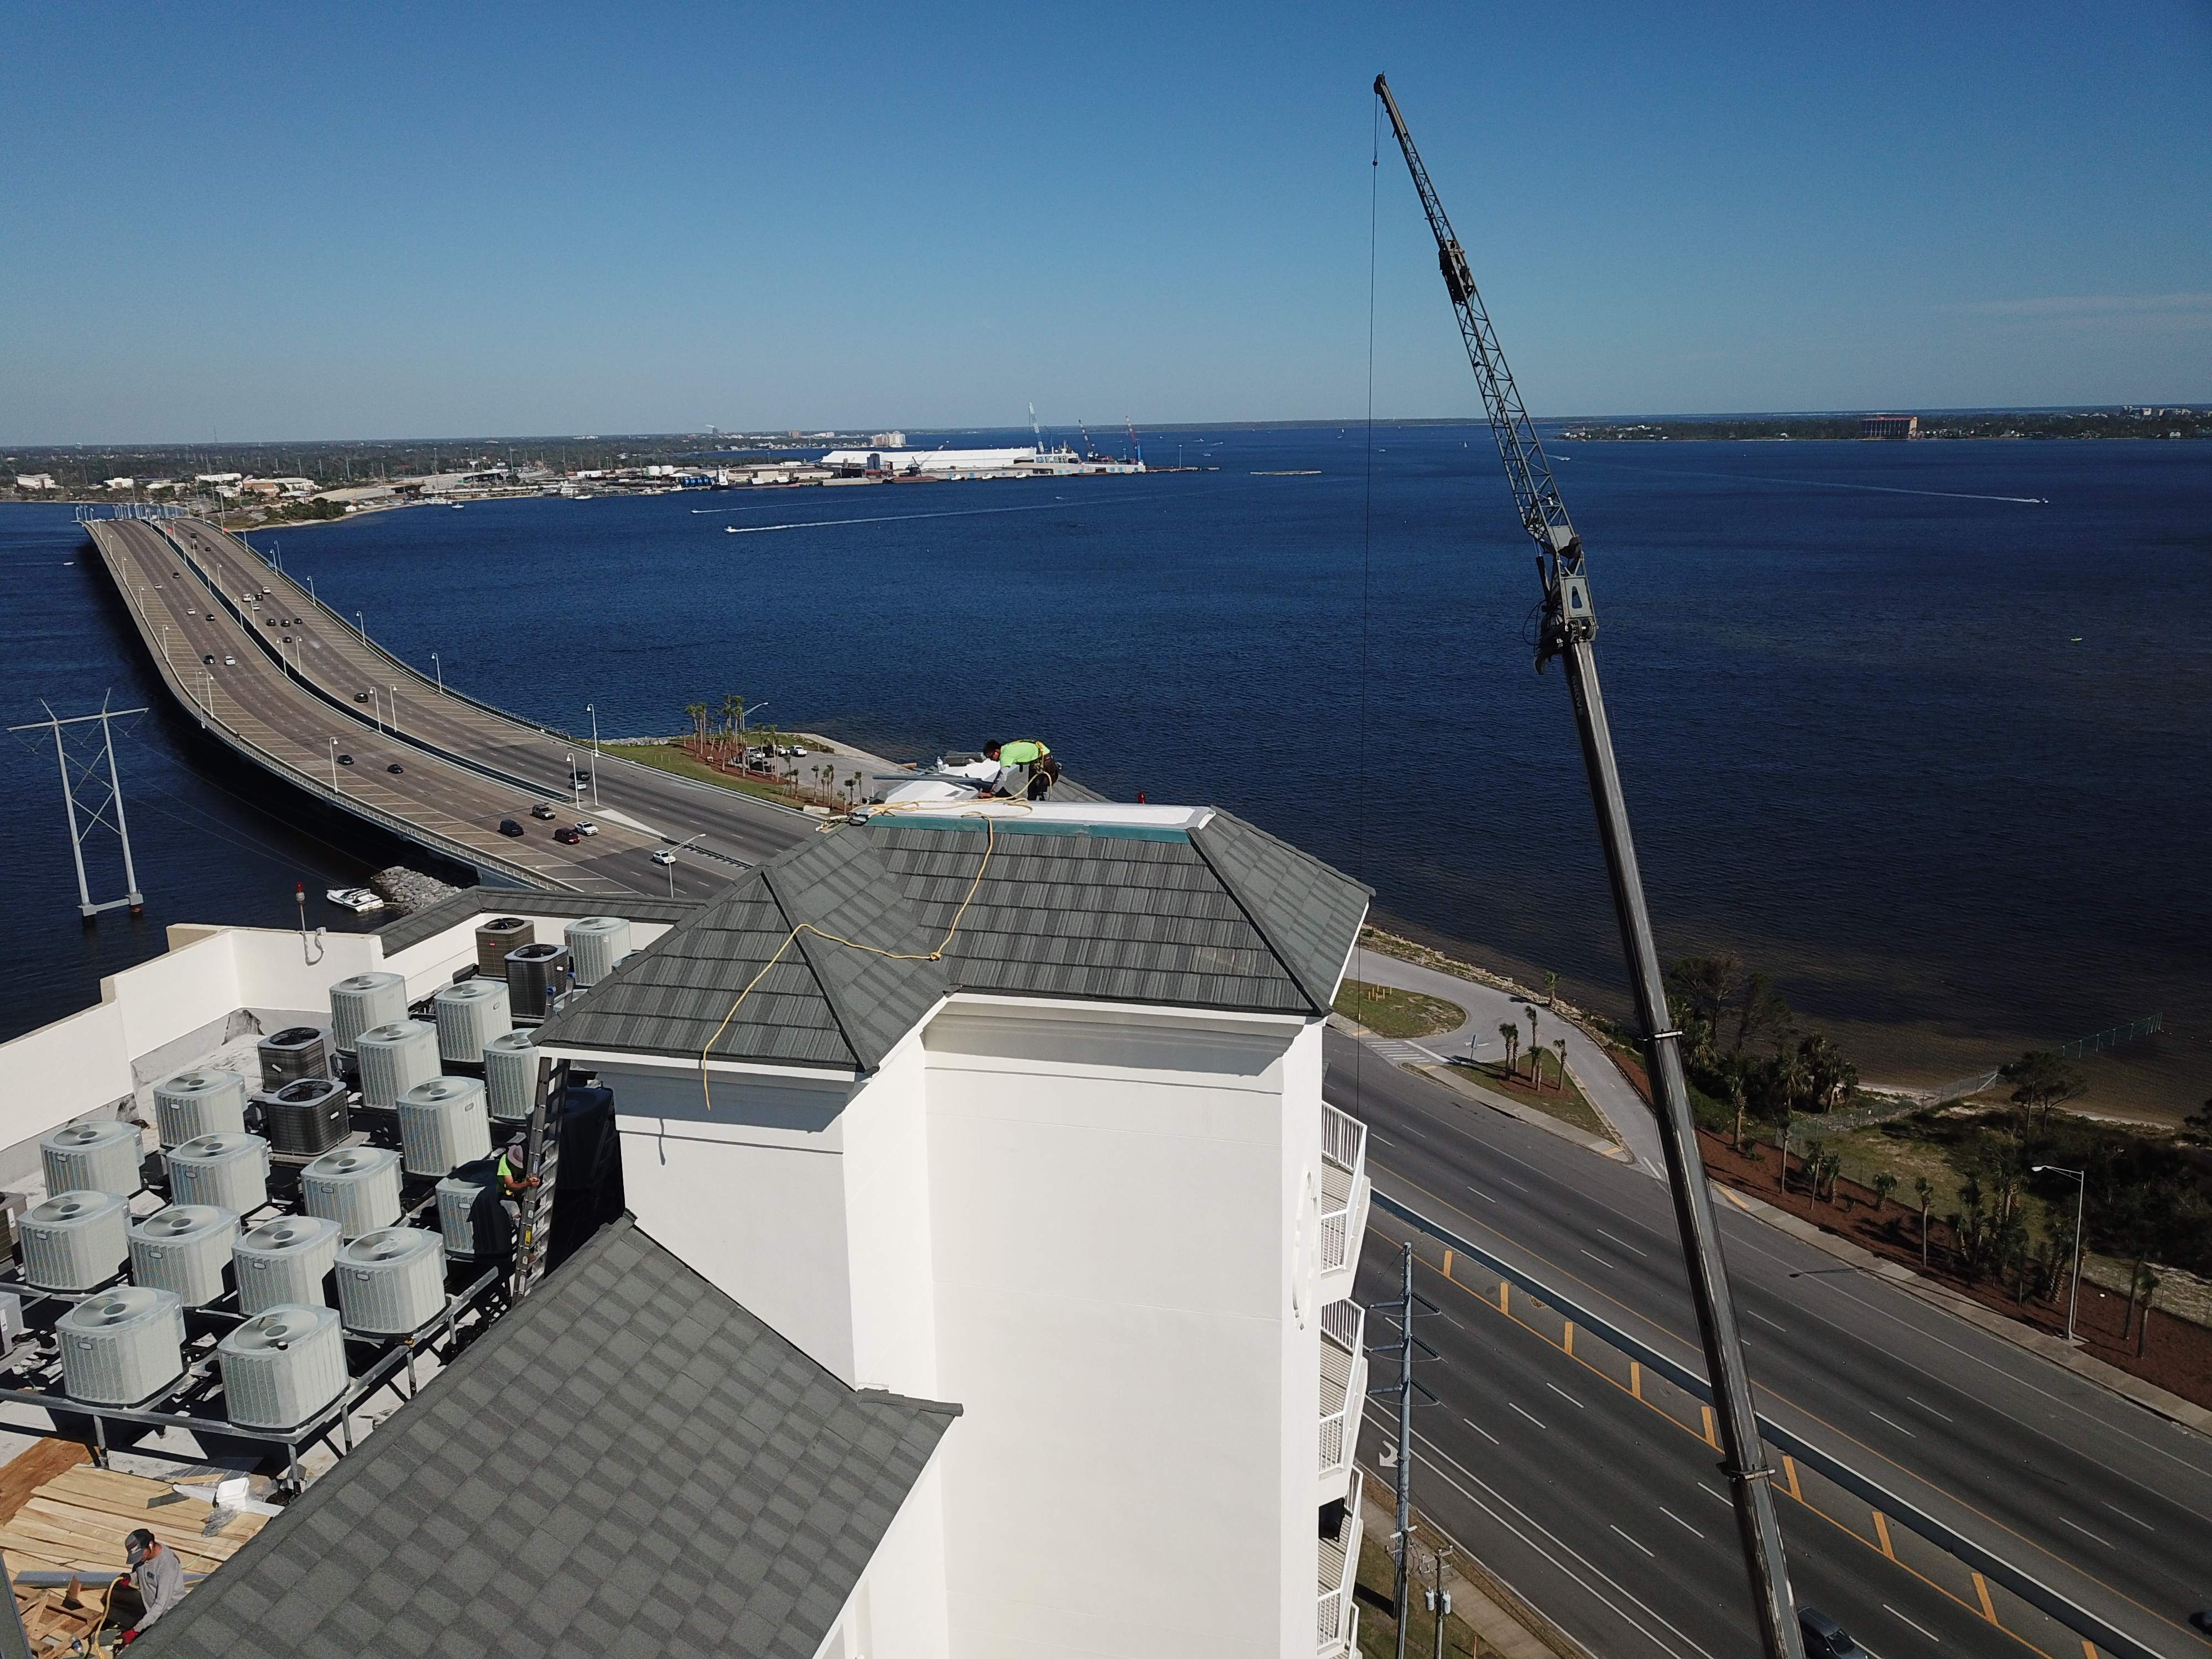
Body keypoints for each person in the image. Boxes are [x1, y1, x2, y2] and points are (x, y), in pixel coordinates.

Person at [114, 1528, 182, 1644]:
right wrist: (131, 1578)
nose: (139, 1558)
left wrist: (136, 1630)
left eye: (140, 1555)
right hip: (151, 1613)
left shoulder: (167, 1566)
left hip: (169, 1616)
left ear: (150, 1544)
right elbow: (142, 1574)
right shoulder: (145, 1556)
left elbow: (161, 1605)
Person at [983, 739, 1060, 800]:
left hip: (1043, 758)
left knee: (1041, 787)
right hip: (1038, 755)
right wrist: (992, 786)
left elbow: (1003, 778)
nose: (991, 759)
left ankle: (1044, 808)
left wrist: (992, 793)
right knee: (1032, 787)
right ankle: (1031, 802)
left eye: (991, 757)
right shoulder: (1005, 748)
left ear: (997, 751)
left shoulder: (1005, 757)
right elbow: (1001, 773)